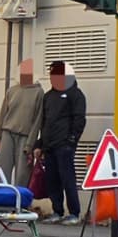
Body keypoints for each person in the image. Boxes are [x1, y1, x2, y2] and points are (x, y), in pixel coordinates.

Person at [33, 61, 86, 225]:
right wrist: (39, 145)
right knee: (52, 180)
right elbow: (45, 122)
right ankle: (57, 210)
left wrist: (71, 140)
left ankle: (74, 213)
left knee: (67, 178)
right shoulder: (48, 96)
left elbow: (79, 120)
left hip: (64, 145)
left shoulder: (76, 95)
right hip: (49, 145)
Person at [0, 58, 44, 187]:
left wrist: (30, 144)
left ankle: (21, 201)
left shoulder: (39, 92)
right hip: (7, 133)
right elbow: (3, 114)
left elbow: (37, 121)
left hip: (25, 136)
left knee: (22, 174)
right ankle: (0, 199)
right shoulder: (12, 90)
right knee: (3, 170)